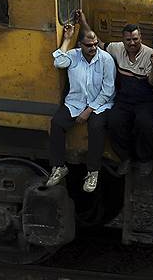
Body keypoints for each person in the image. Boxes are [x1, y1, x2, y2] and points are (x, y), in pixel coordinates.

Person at [75, 11, 153, 174]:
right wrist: (83, 22)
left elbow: (152, 82)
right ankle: (125, 158)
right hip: (124, 99)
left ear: (140, 37)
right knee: (114, 121)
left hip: (144, 100)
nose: (132, 43)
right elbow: (98, 43)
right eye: (128, 40)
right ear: (123, 40)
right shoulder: (116, 48)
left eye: (135, 39)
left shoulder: (149, 54)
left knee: (144, 123)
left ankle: (144, 160)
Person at [45, 23, 114, 193]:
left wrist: (89, 111)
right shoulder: (74, 56)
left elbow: (108, 90)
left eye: (95, 44)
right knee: (57, 123)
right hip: (75, 102)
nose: (93, 48)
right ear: (80, 45)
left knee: (96, 126)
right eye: (89, 45)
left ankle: (93, 171)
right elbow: (58, 61)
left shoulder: (106, 59)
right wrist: (67, 40)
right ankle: (59, 166)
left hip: (99, 104)